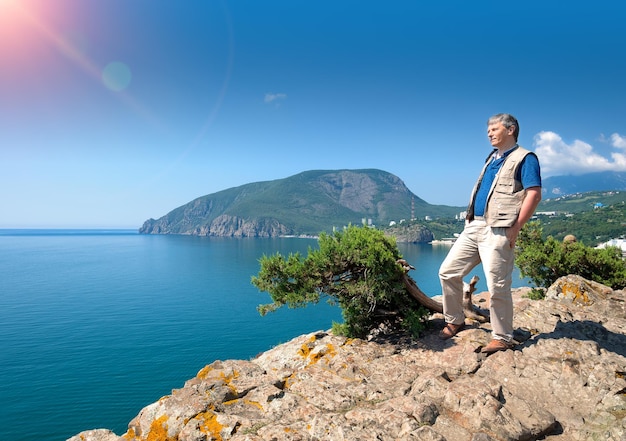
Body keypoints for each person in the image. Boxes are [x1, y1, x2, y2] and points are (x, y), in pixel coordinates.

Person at [438, 113, 542, 354]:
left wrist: (516, 227)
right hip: (474, 226)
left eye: (495, 129)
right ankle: (454, 319)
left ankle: (502, 336)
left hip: (499, 229)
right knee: (448, 272)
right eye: (488, 130)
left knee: (498, 285)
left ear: (511, 129)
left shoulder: (525, 158)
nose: (489, 133)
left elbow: (534, 194)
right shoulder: (492, 158)